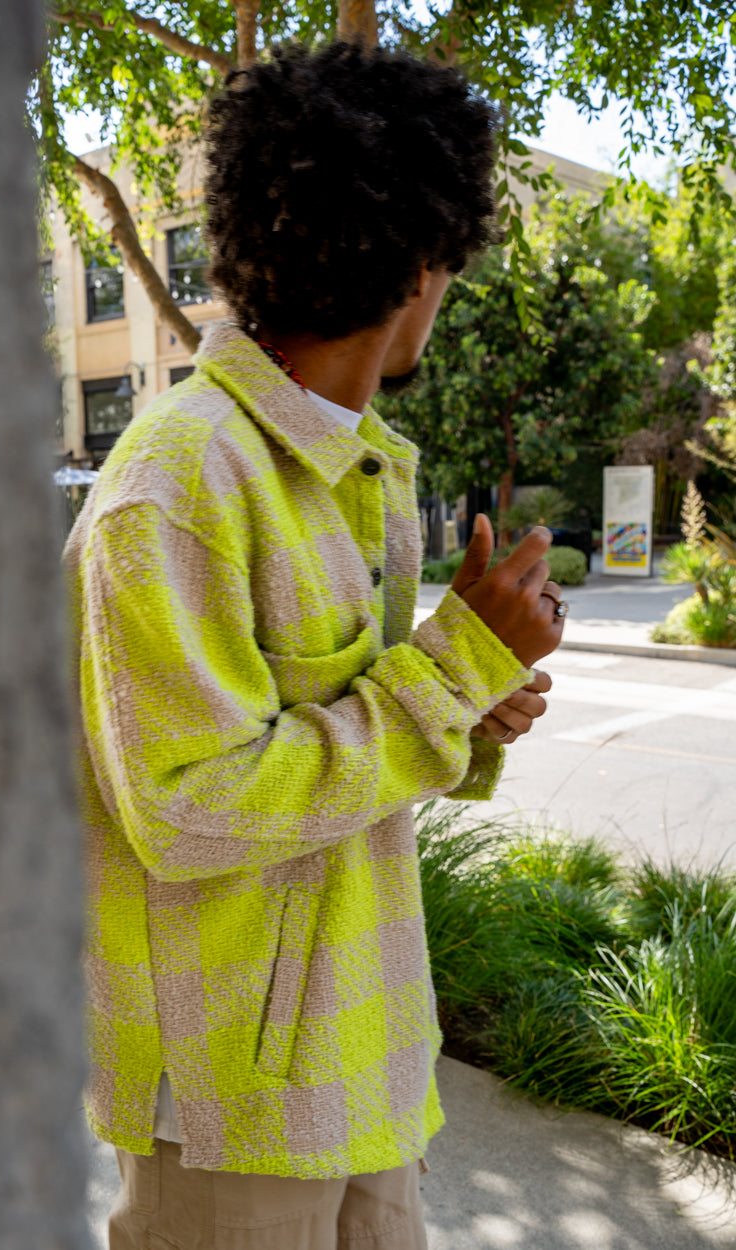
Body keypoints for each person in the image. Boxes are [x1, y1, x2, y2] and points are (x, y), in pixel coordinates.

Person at [65, 40, 565, 1250]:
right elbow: (188, 806)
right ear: (422, 265)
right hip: (228, 1102)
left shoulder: (344, 466)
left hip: (366, 1056)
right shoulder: (177, 485)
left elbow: (342, 740)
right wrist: (443, 673)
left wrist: (469, 698)